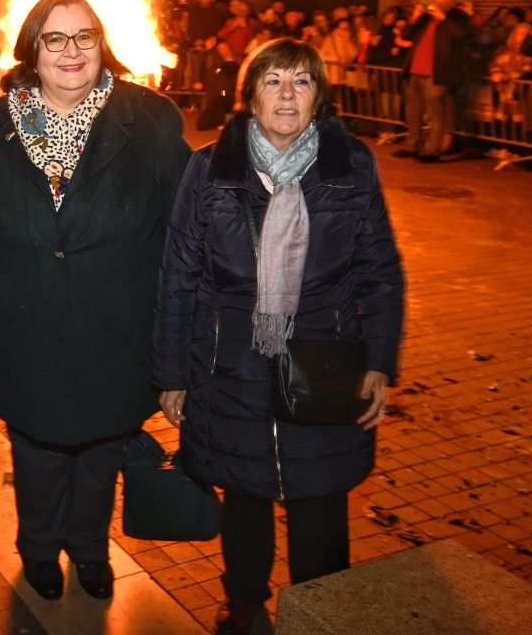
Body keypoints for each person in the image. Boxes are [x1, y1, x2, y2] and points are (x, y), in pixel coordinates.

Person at [153, 38, 404, 635]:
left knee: (320, 499)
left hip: (325, 364)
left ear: (320, 96)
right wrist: (170, 375)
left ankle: (322, 609)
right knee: (244, 492)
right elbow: (178, 277)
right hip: (228, 367)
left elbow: (380, 270)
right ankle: (243, 603)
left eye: (301, 81)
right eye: (273, 81)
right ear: (249, 97)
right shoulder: (210, 169)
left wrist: (381, 362)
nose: (286, 94)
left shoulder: (350, 167)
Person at [0, 0, 190, 602]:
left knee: (102, 450)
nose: (71, 51)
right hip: (28, 324)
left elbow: (186, 233)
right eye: (55, 38)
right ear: (31, 51)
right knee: (37, 449)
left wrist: (186, 344)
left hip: (116, 328)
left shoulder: (148, 119)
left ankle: (89, 547)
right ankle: (38, 547)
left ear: (102, 45)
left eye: (84, 37)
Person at [395, 0, 471, 162]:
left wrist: (442, 19)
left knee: (435, 113)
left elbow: (462, 36)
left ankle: (432, 149)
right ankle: (411, 145)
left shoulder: (456, 19)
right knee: (413, 112)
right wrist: (414, 18)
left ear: (452, 3)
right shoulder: (426, 20)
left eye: (444, 0)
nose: (439, 1)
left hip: (435, 74)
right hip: (415, 71)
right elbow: (407, 35)